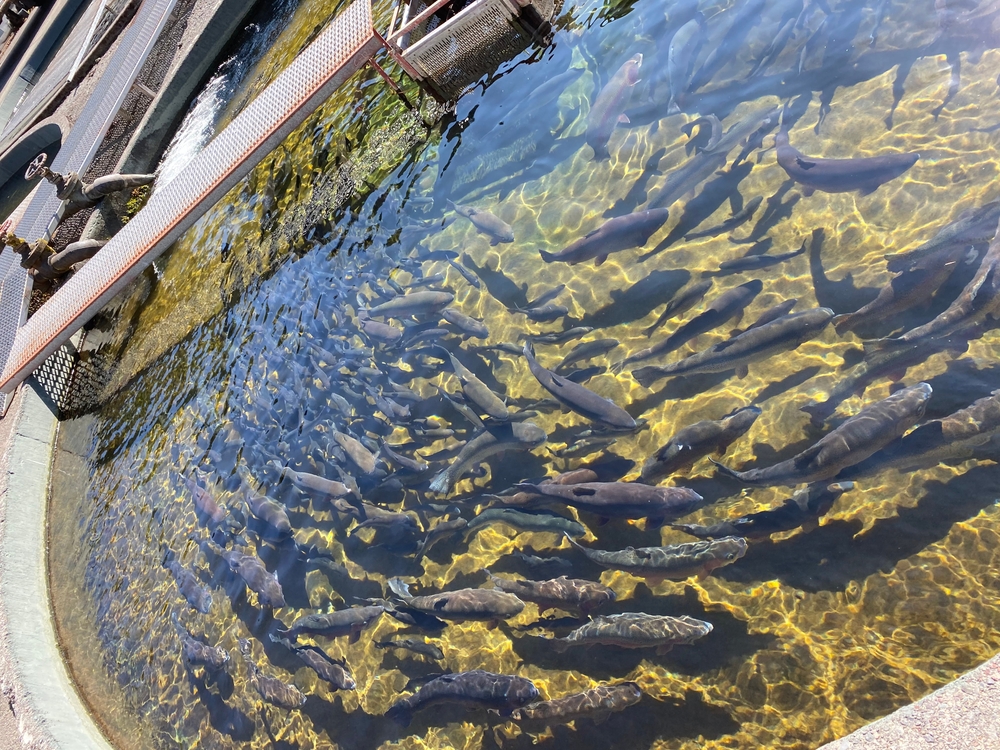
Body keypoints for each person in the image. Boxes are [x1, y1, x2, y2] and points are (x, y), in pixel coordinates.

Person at [30, 163, 155, 220]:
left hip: (83, 197)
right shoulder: (69, 190)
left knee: (107, 183)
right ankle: (151, 178)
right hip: (83, 197)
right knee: (105, 183)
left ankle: (150, 178)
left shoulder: (68, 190)